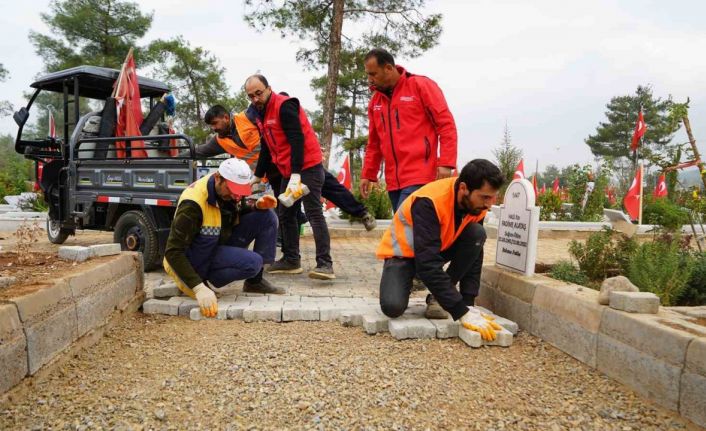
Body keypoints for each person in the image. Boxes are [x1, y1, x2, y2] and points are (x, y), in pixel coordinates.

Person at [376, 159, 504, 341]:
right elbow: (427, 264)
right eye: (485, 197)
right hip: (402, 256)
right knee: (392, 307)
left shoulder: (476, 205)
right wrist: (460, 311)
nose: (490, 204)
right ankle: (411, 279)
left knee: (477, 234)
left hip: (433, 252)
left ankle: (439, 294)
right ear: (464, 189)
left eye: (493, 197)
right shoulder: (429, 201)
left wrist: (468, 303)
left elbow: (475, 253)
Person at [196, 104, 376, 231]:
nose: (213, 128)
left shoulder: (248, 117)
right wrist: (175, 153)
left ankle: (362, 213)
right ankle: (292, 244)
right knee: (286, 208)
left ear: (226, 118)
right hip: (273, 174)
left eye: (215, 124)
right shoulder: (219, 141)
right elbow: (199, 151)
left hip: (293, 162)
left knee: (329, 186)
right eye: (211, 126)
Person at [163, 157, 283, 318]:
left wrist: (256, 206)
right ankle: (207, 280)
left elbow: (235, 210)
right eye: (233, 190)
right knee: (253, 262)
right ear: (218, 178)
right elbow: (172, 252)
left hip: (216, 242)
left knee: (267, 216)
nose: (236, 196)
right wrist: (198, 287)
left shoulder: (227, 192)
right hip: (197, 258)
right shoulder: (192, 205)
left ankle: (255, 282)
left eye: (240, 192)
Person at [245, 74, 335, 280]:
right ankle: (291, 259)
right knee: (285, 214)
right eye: (251, 96)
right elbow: (267, 147)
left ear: (269, 89)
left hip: (308, 167)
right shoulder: (261, 114)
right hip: (288, 170)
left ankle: (325, 264)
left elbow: (297, 139)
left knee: (313, 213)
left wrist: (296, 174)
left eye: (258, 93)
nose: (255, 99)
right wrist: (257, 177)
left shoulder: (285, 106)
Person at [360, 48, 458, 212]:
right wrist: (368, 173)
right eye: (368, 74)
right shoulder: (375, 102)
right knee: (409, 231)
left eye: (373, 74)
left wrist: (446, 163)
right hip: (393, 181)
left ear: (389, 68)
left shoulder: (421, 85)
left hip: (421, 175)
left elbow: (446, 125)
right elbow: (374, 142)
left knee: (404, 228)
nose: (370, 79)